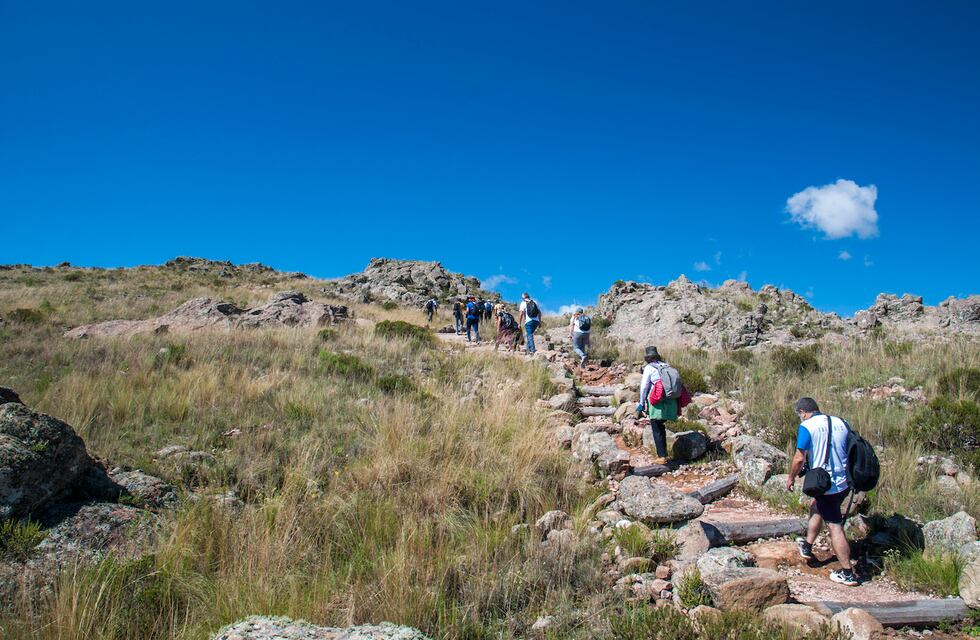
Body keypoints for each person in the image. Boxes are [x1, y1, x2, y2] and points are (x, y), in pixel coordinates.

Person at [787, 397, 860, 587]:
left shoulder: (807, 427)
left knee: (834, 525)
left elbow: (799, 457)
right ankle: (808, 545)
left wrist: (791, 477)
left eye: (799, 415)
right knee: (816, 506)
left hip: (825, 484)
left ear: (803, 412)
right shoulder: (841, 422)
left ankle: (847, 572)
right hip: (844, 482)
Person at [636, 346, 690, 465]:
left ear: (648, 358)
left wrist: (641, 402)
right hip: (671, 400)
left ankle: (662, 456)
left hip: (657, 399)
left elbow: (644, 386)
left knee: (657, 427)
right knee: (661, 425)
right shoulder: (666, 365)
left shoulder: (649, 368)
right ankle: (664, 454)